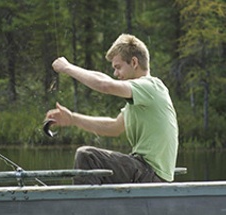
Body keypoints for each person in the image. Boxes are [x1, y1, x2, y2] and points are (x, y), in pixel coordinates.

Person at [46, 34, 178, 184]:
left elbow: (105, 85)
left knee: (87, 156)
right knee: (92, 160)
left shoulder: (151, 86)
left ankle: (84, 207)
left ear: (134, 62)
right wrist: (73, 119)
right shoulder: (141, 99)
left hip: (151, 174)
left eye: (118, 67)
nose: (116, 74)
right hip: (146, 172)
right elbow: (113, 127)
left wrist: (67, 68)